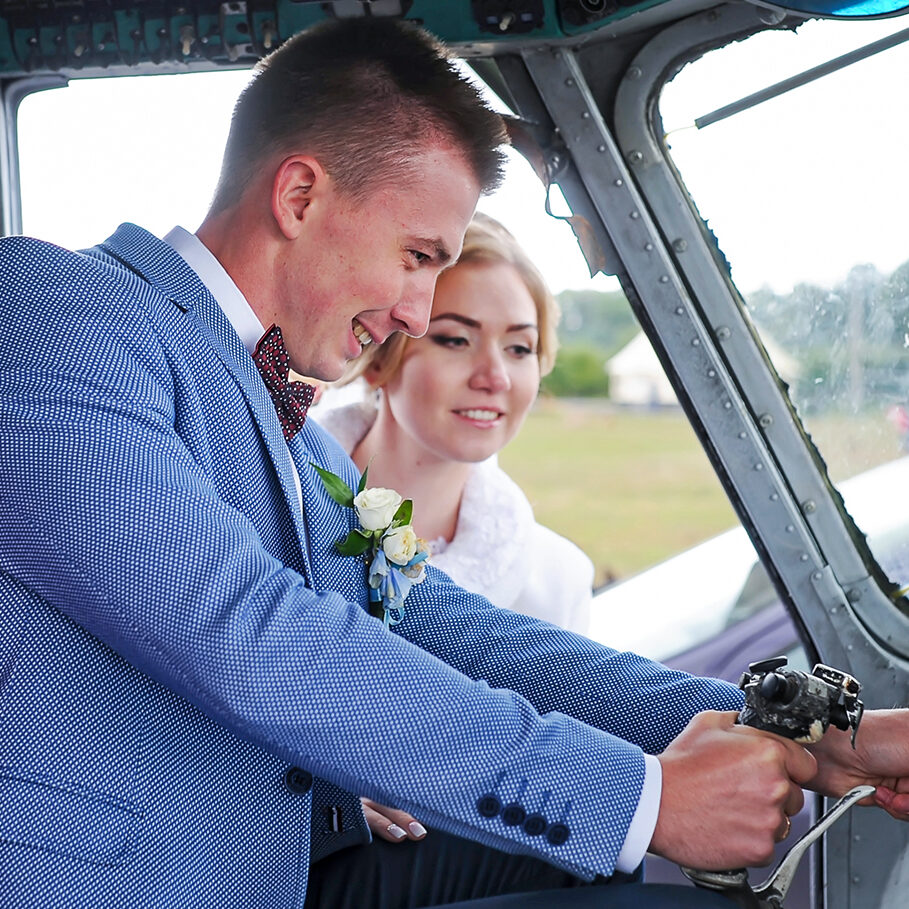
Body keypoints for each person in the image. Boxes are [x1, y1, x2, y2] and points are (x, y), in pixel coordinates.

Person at [2, 15, 909, 909]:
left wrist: (809, 738)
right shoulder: (52, 311)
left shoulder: (293, 430)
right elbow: (247, 630)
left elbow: (447, 628)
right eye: (417, 255)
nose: (413, 311)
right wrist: (642, 798)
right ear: (299, 196)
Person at [317, 214, 593, 636]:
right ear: (377, 357)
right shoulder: (265, 509)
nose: (495, 377)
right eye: (456, 340)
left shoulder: (557, 584)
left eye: (519, 348)